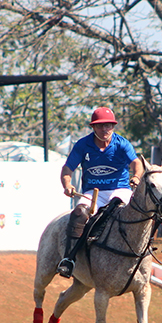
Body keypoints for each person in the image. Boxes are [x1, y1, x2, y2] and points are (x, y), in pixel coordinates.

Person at [56, 106, 143, 277]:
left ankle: (142, 253)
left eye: (109, 125)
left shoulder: (121, 144)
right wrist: (67, 185)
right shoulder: (83, 145)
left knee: (132, 213)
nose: (105, 129)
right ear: (93, 127)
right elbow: (67, 169)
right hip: (92, 192)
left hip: (120, 189)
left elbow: (136, 163)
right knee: (79, 214)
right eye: (101, 125)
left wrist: (137, 177)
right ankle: (69, 259)